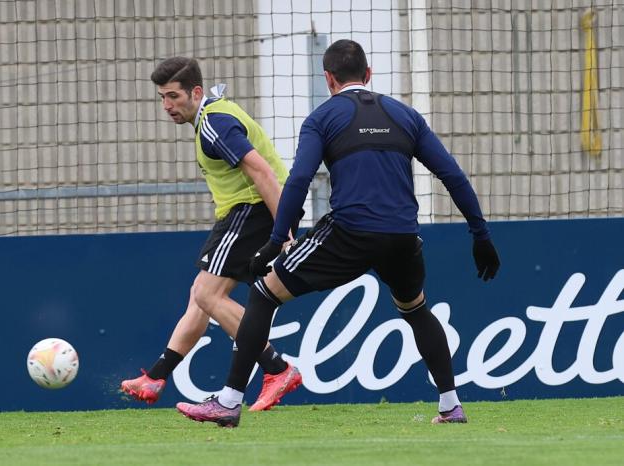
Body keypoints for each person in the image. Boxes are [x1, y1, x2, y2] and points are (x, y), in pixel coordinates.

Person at [175, 40, 500, 428]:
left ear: (328, 79)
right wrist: (480, 235)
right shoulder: (406, 116)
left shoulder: (322, 118)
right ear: (369, 75)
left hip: (350, 233)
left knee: (263, 292)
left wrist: (276, 241)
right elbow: (452, 175)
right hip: (402, 235)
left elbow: (299, 181)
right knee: (415, 309)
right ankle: (451, 406)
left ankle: (228, 402)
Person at [120, 57, 302, 411]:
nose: (166, 106)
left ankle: (278, 369)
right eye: (162, 97)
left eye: (173, 96)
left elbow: (263, 173)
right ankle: (156, 377)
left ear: (196, 92)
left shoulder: (214, 124)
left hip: (252, 210)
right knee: (200, 296)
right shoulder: (212, 116)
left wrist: (285, 233)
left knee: (206, 293)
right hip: (248, 211)